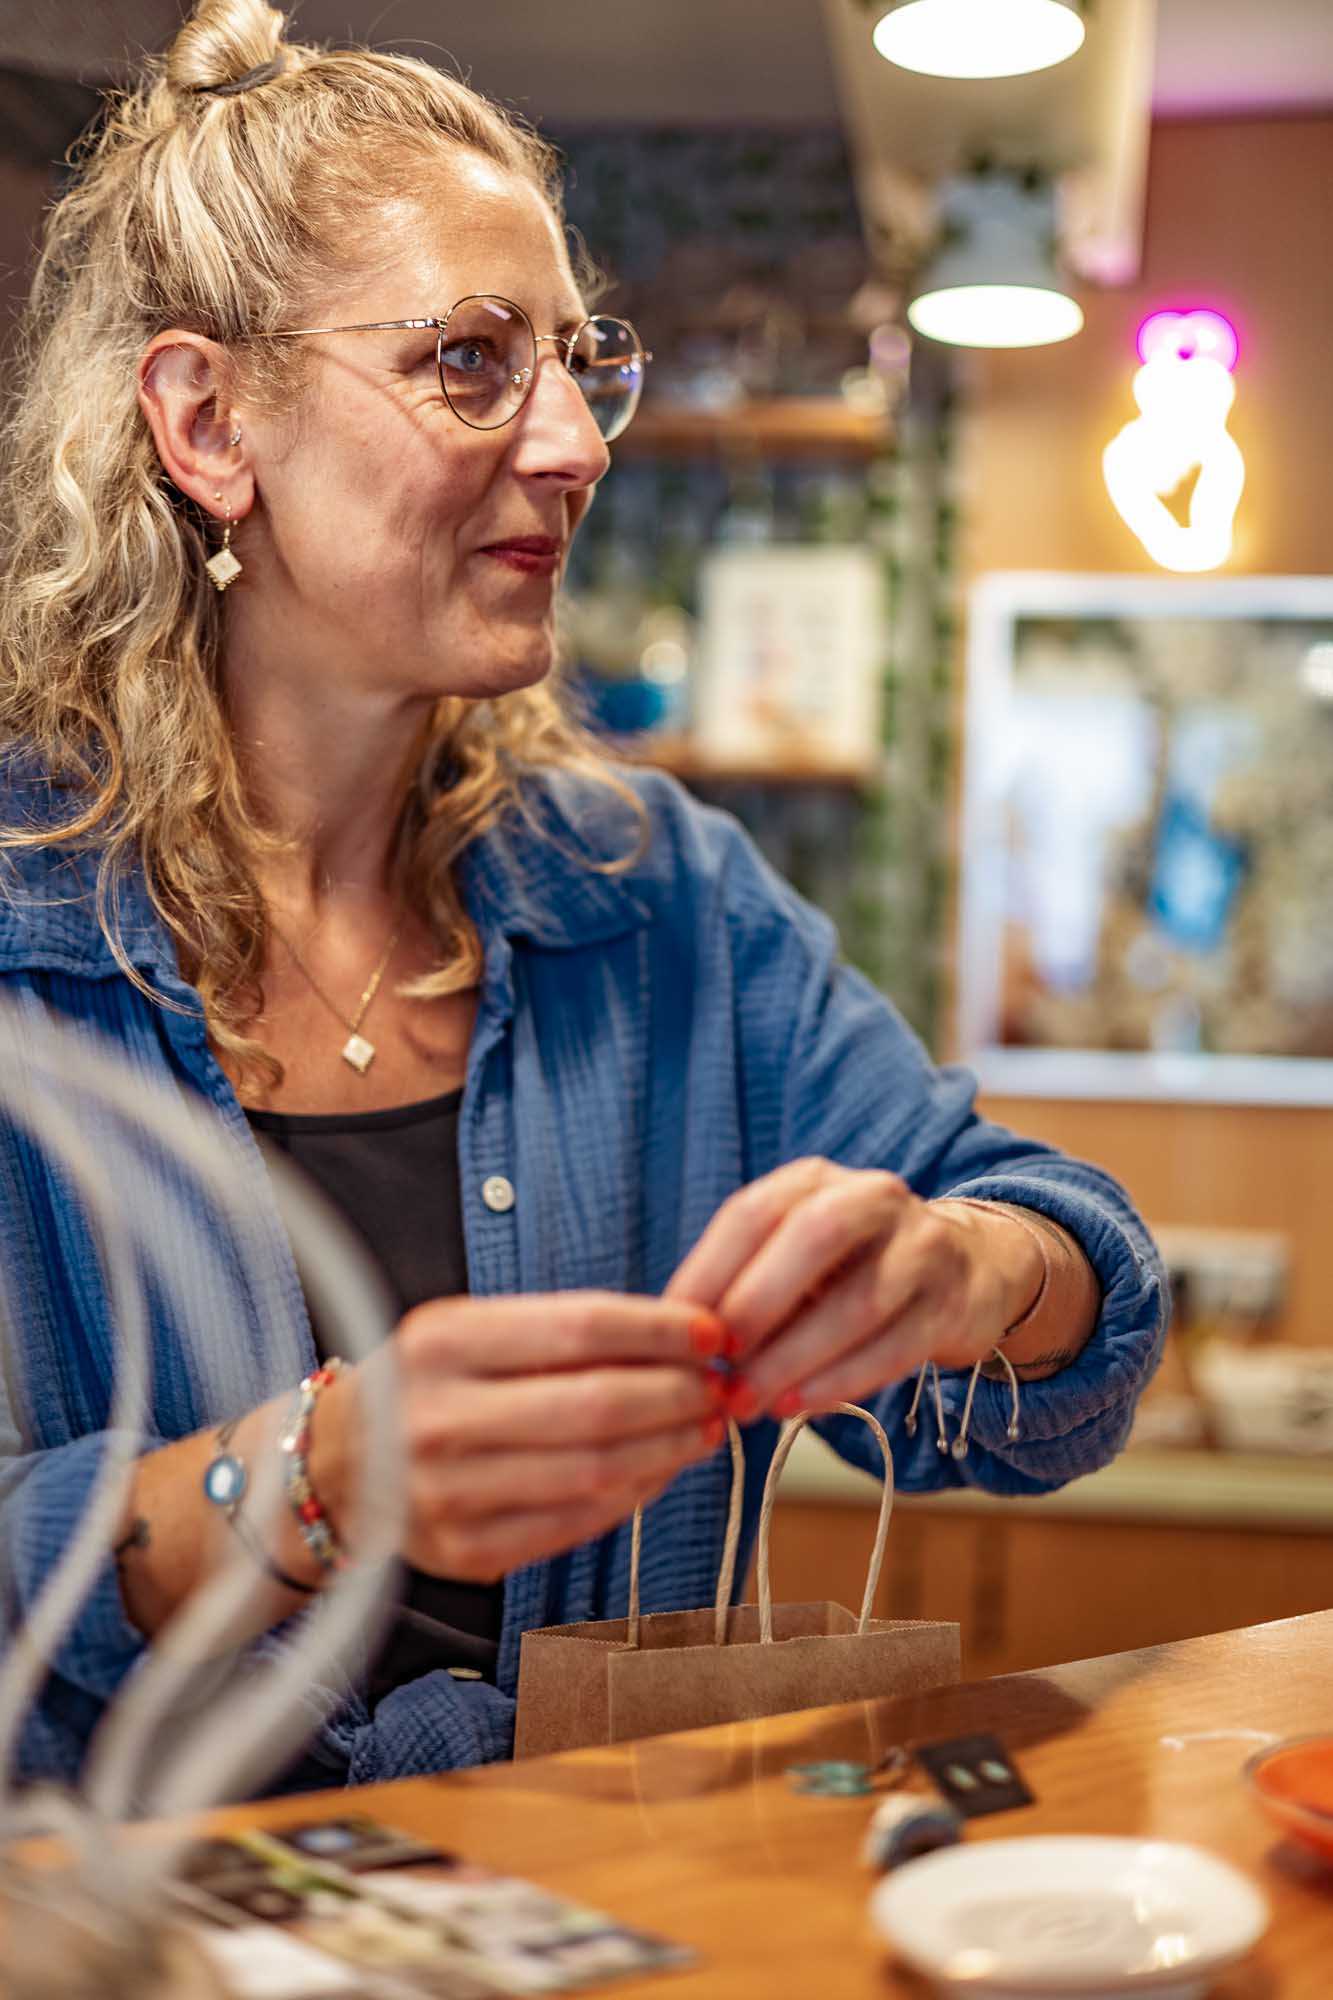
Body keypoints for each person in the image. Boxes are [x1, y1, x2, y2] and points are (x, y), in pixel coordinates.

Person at [0, 0, 1165, 1794]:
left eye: (577, 358)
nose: (573, 443)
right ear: (209, 419)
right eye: (470, 359)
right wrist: (289, 1485)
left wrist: (962, 1273)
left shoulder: (655, 893)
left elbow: (1077, 1283)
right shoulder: (25, 942)